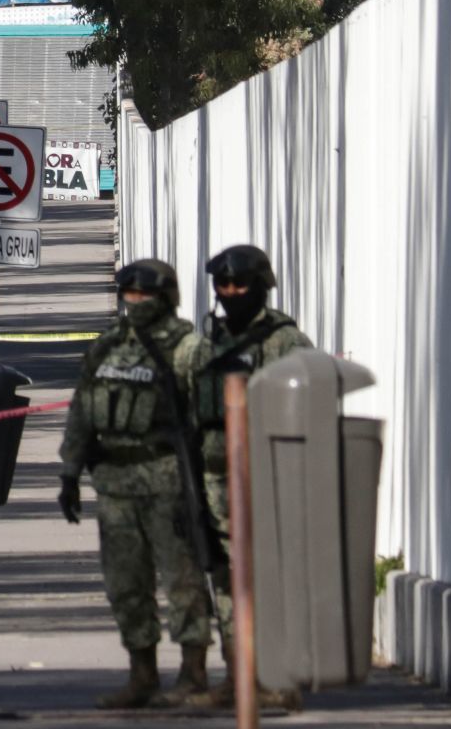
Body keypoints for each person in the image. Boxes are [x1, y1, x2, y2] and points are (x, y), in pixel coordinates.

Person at [58, 259, 213, 709]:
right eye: (130, 294)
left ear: (166, 297)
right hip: (115, 485)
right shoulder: (106, 349)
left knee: (182, 580)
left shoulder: (188, 350)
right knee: (125, 582)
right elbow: (81, 413)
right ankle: (141, 673)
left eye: (145, 294)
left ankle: (193, 673)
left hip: (169, 483)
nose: (136, 302)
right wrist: (70, 473)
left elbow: (211, 422)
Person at [185, 244, 311, 709]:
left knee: (271, 579)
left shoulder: (284, 341)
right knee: (224, 582)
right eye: (224, 285)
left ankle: (279, 676)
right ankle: (240, 676)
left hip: (270, 475)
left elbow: (309, 403)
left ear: (261, 287)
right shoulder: (208, 342)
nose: (231, 292)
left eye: (240, 284)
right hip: (215, 480)